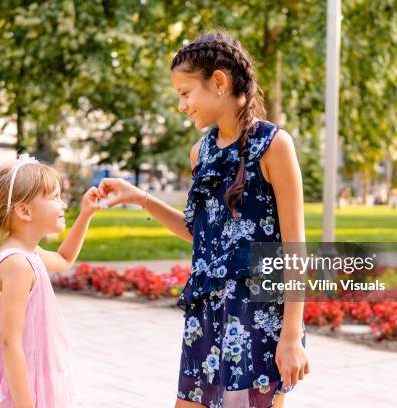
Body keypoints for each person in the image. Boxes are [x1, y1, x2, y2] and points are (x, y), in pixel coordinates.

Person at [97, 32, 310, 408]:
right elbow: (201, 235)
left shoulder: (275, 145)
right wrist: (140, 197)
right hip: (207, 312)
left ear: (219, 82)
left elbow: (295, 247)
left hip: (258, 313)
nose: (182, 105)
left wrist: (291, 334)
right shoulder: (201, 153)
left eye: (185, 93)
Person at [0, 154, 105, 407]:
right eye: (54, 197)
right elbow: (10, 341)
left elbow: (64, 258)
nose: (63, 204)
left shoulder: (28, 254)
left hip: (33, 372)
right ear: (24, 211)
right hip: (20, 387)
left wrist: (86, 214)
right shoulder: (16, 263)